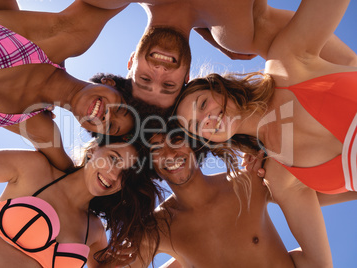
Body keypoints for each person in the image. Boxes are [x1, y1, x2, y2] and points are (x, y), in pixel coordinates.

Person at [176, 0, 356, 266]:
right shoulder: (280, 177)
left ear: (219, 86)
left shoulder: (286, 61)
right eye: (196, 126)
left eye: (203, 104)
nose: (208, 119)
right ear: (210, 141)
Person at [127, 131, 357, 267]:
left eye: (177, 140)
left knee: (278, 168)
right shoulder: (157, 228)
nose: (170, 154)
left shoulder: (246, 181)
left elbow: (307, 194)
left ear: (194, 145)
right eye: (156, 149)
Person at [0, 0, 134, 172]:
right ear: (110, 83)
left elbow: (71, 178)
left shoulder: (38, 127)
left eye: (110, 127)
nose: (107, 116)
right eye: (119, 107)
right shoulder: (68, 34)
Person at [82, 0, 357, 109]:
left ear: (131, 61)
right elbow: (346, 66)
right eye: (168, 85)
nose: (160, 73)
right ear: (186, 76)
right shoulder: (239, 34)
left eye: (144, 79)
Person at [0, 136, 162, 268]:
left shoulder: (95, 231)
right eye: (113, 159)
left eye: (126, 174)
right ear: (92, 150)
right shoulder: (34, 170)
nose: (114, 175)